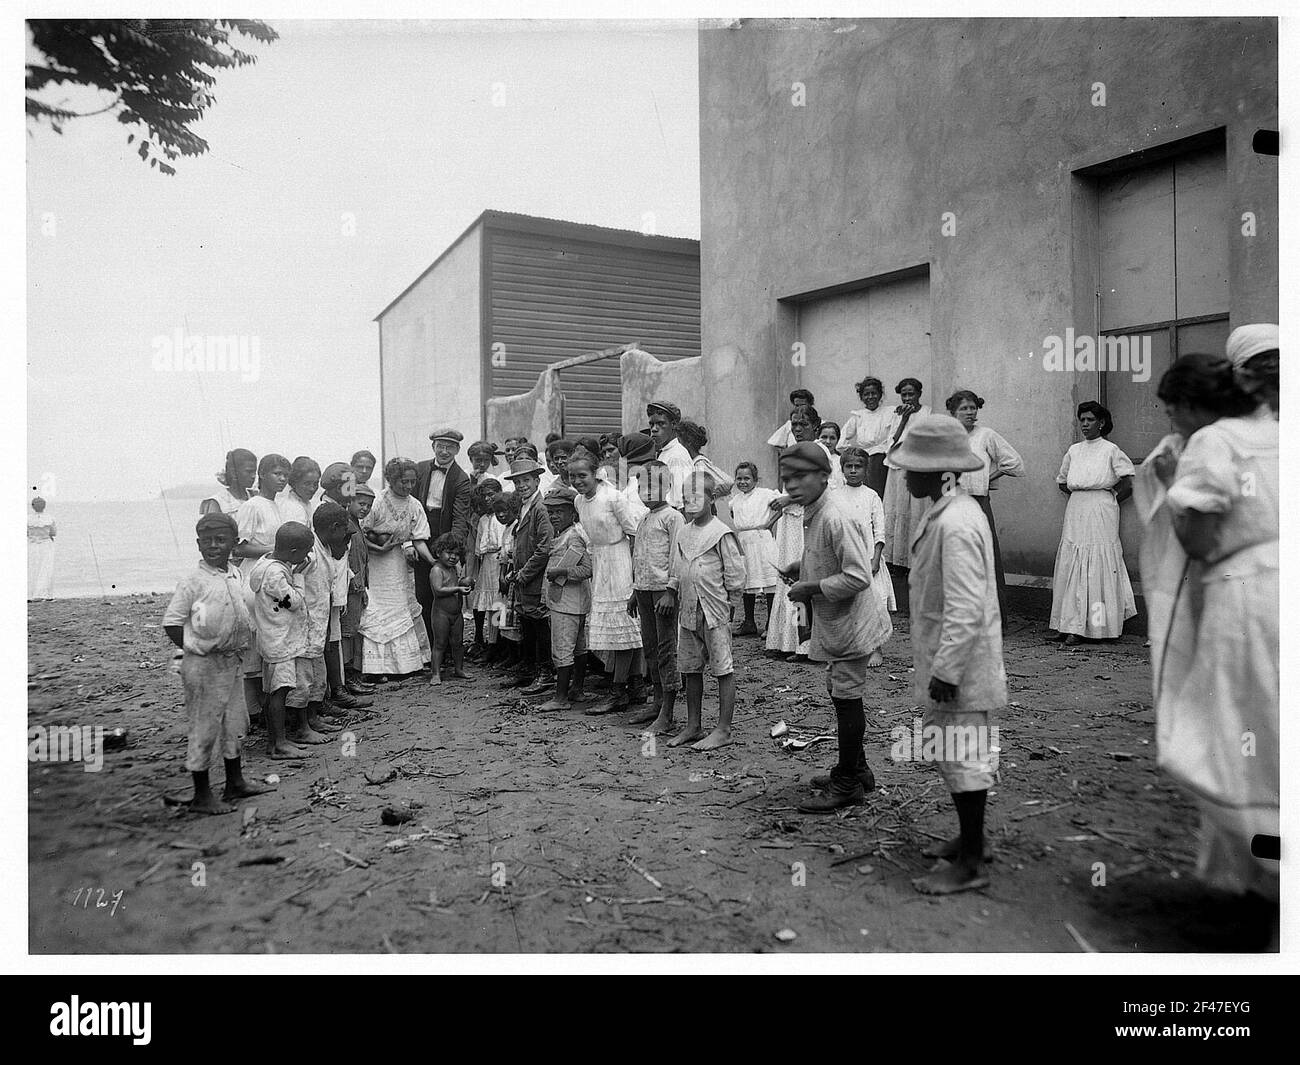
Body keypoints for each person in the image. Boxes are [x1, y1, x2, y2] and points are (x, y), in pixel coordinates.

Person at [1142, 353, 1277, 904]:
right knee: (1272, 726)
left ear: (1197, 404)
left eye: (1174, 407)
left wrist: (1173, 488)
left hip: (1246, 597)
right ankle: (1258, 878)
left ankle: (1273, 881)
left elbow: (1196, 539)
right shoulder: (1276, 432)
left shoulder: (1212, 441)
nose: (1172, 419)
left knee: (1233, 729)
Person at [891, 415, 1004, 894]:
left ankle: (972, 861)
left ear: (941, 472)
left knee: (964, 754)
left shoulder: (956, 523)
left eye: (913, 468)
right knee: (956, 751)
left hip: (960, 662)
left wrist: (948, 670)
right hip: (946, 655)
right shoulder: (944, 510)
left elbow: (965, 604)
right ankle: (969, 838)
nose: (905, 475)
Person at [777, 443, 892, 812]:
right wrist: (803, 567)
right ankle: (857, 770)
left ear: (826, 476)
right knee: (840, 690)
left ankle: (847, 784)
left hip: (853, 621)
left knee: (846, 696)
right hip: (840, 619)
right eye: (787, 479)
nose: (792, 485)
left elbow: (858, 576)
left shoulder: (835, 515)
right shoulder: (816, 509)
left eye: (801, 477)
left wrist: (810, 587)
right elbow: (827, 558)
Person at [162, 512, 270, 814]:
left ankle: (235, 783)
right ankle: (201, 795)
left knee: (235, 723)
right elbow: (172, 622)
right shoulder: (193, 582)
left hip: (232, 661)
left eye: (221, 540)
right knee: (205, 727)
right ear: (198, 545)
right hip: (203, 664)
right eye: (207, 541)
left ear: (234, 544)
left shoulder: (235, 574)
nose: (213, 546)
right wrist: (195, 647)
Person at [662, 470, 745, 750]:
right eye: (686, 499)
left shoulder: (720, 532)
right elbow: (677, 566)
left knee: (722, 667)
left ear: (711, 499)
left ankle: (723, 729)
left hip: (714, 610)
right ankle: (693, 725)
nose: (690, 503)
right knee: (690, 668)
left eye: (697, 497)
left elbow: (735, 572)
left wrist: (732, 601)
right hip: (688, 609)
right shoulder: (684, 532)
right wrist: (673, 590)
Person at [1049, 401, 1136, 643]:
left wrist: (1110, 501)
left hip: (1102, 508)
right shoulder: (1074, 450)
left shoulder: (1111, 450)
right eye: (1082, 420)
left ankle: (1095, 628)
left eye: (1090, 420)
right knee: (1072, 559)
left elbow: (1128, 482)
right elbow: (1062, 481)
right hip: (1077, 507)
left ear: (1102, 423)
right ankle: (1067, 625)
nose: (1085, 424)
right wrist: (1082, 495)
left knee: (1097, 561)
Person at [569, 452, 644, 714]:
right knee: (616, 632)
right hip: (601, 563)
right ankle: (634, 686)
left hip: (621, 561)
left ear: (595, 474)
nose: (578, 481)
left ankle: (618, 691)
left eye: (583, 475)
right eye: (573, 476)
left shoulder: (613, 497)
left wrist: (636, 575)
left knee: (624, 628)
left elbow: (634, 533)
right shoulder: (579, 501)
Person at [945, 390, 1024, 624]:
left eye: (973, 408)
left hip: (979, 504)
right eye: (964, 409)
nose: (970, 412)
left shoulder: (986, 435)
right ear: (953, 412)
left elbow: (1014, 462)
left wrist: (988, 477)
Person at [358, 457, 435, 680]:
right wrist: (378, 549)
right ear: (391, 479)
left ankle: (406, 664)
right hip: (375, 562)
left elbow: (419, 539)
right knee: (378, 608)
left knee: (401, 606)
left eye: (412, 482)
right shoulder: (377, 501)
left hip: (398, 563)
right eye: (404, 482)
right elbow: (360, 533)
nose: (408, 486)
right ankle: (377, 668)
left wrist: (432, 561)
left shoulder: (414, 505)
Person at [245, 521, 315, 759]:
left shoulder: (265, 564)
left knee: (273, 690)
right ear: (294, 552)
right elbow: (293, 602)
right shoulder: (276, 574)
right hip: (279, 642)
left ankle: (274, 743)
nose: (307, 556)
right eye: (305, 551)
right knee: (280, 691)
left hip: (273, 638)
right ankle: (280, 743)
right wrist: (299, 577)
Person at [628, 460, 685, 732]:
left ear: (667, 486)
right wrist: (634, 592)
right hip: (644, 591)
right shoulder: (644, 518)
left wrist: (671, 590)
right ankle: (657, 701)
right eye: (642, 486)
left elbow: (677, 556)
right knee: (650, 648)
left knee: (666, 649)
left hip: (663, 593)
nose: (647, 492)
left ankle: (668, 712)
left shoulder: (673, 517)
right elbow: (640, 558)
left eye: (654, 486)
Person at [414, 428, 473, 658]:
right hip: (421, 533)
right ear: (433, 447)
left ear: (457, 450)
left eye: (450, 447)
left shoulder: (460, 478)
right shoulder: (420, 469)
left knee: (446, 595)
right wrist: (411, 541)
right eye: (440, 446)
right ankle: (430, 650)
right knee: (423, 593)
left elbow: (460, 518)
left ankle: (448, 651)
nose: (444, 451)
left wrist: (452, 550)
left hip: (444, 535)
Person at [537, 484, 594, 711]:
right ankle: (576, 689)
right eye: (551, 512)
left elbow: (587, 570)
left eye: (559, 511)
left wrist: (562, 572)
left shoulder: (574, 537)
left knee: (562, 648)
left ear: (572, 512)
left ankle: (561, 698)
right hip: (570, 601)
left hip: (567, 602)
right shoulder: (564, 535)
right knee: (578, 648)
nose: (554, 516)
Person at [501, 456, 554, 689]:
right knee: (527, 623)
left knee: (539, 623)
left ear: (537, 480)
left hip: (536, 577)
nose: (522, 485)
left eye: (526, 480)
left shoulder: (540, 509)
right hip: (523, 576)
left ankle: (545, 674)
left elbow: (544, 548)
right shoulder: (524, 506)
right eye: (518, 482)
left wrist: (524, 573)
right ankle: (531, 669)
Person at [837, 445, 893, 666]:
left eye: (857, 467)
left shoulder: (871, 496)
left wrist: (876, 558)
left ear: (865, 470)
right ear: (842, 469)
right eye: (848, 466)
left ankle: (875, 647)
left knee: (872, 601)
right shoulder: (834, 496)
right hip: (843, 555)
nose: (853, 470)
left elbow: (879, 530)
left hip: (867, 555)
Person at [310, 501, 367, 714]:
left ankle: (334, 695)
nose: (346, 535)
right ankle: (319, 705)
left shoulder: (326, 547)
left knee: (331, 647)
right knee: (317, 656)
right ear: (334, 528)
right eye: (344, 529)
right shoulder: (312, 551)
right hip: (313, 615)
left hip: (328, 608)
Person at [881, 378, 932, 570]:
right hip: (898, 466)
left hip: (918, 466)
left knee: (917, 511)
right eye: (904, 395)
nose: (908, 398)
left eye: (912, 394)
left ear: (919, 394)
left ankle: (915, 561)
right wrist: (904, 419)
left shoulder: (927, 413)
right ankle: (896, 560)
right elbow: (892, 440)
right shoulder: (896, 414)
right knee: (897, 509)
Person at [728, 462, 779, 636]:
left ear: (756, 480)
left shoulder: (765, 494)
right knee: (747, 580)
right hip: (744, 540)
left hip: (762, 539)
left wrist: (770, 524)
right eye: (739, 478)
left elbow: (782, 506)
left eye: (747, 478)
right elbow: (734, 515)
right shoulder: (735, 500)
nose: (743, 482)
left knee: (768, 579)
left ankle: (771, 623)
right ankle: (749, 622)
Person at [427, 532, 473, 685]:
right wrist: (458, 589)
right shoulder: (437, 570)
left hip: (456, 613)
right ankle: (435, 674)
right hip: (441, 614)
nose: (453, 557)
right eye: (449, 553)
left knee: (458, 642)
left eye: (456, 554)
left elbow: (455, 583)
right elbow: (438, 590)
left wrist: (465, 583)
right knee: (440, 643)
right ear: (439, 552)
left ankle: (459, 669)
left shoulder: (453, 569)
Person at [341, 483, 375, 695]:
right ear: (350, 501)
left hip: (359, 585)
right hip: (350, 586)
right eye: (361, 503)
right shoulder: (346, 525)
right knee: (347, 633)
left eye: (369, 505)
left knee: (354, 632)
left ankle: (354, 675)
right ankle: (347, 679)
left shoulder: (357, 524)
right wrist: (355, 583)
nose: (365, 508)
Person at [466, 478, 504, 661]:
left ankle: (497, 643)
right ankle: (482, 640)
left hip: (500, 562)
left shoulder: (504, 516)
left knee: (498, 604)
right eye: (485, 496)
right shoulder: (482, 520)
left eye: (491, 495)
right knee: (483, 602)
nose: (488, 499)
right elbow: (478, 549)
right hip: (487, 563)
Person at [839, 377, 893, 496]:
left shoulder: (890, 412)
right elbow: (841, 439)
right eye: (866, 394)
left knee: (881, 493)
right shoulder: (858, 416)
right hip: (865, 459)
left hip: (883, 458)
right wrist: (852, 452)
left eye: (873, 393)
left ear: (880, 394)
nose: (870, 397)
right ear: (861, 397)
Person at [490, 492, 524, 670]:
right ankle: (503, 650)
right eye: (498, 512)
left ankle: (516, 656)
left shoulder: (517, 527)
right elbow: (502, 557)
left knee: (513, 617)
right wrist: (501, 575)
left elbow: (512, 555)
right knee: (499, 612)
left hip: (513, 574)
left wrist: (507, 574)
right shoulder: (506, 529)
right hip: (504, 574)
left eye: (505, 511)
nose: (501, 515)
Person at [234, 454, 290, 562]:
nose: (282, 479)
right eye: (277, 474)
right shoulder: (252, 506)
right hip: (255, 571)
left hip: (272, 569)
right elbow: (239, 549)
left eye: (286, 475)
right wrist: (276, 550)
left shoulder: (277, 505)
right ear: (262, 474)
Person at [646, 400, 695, 509]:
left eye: (660, 423)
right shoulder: (664, 453)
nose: (654, 429)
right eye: (651, 424)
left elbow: (682, 501)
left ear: (673, 424)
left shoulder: (677, 456)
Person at [1227, 323, 1279, 417]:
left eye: (1278, 357)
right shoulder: (1228, 406)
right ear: (1243, 363)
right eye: (1265, 358)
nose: (1273, 364)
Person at [677, 420, 735, 501]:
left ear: (689, 442)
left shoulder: (699, 464)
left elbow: (727, 482)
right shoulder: (687, 463)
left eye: (678, 442)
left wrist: (710, 496)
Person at [199, 448, 258, 516]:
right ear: (233, 472)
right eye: (249, 472)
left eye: (254, 472)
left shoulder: (255, 497)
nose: (253, 476)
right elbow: (212, 525)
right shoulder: (218, 502)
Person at [767, 388, 815, 458]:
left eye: (802, 405)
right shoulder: (789, 425)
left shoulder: (820, 424)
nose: (799, 408)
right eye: (796, 405)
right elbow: (775, 442)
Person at [278, 456, 321, 529]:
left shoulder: (306, 503)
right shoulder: (291, 508)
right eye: (307, 483)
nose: (312, 488)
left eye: (315, 483)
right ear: (295, 482)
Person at [27, 495, 56, 600]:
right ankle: (45, 594)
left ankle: (30, 594)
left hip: (32, 545)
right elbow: (53, 533)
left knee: (32, 569)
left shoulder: (27, 518)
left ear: (33, 506)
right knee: (46, 569)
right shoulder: (49, 518)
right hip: (46, 545)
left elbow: (26, 533)